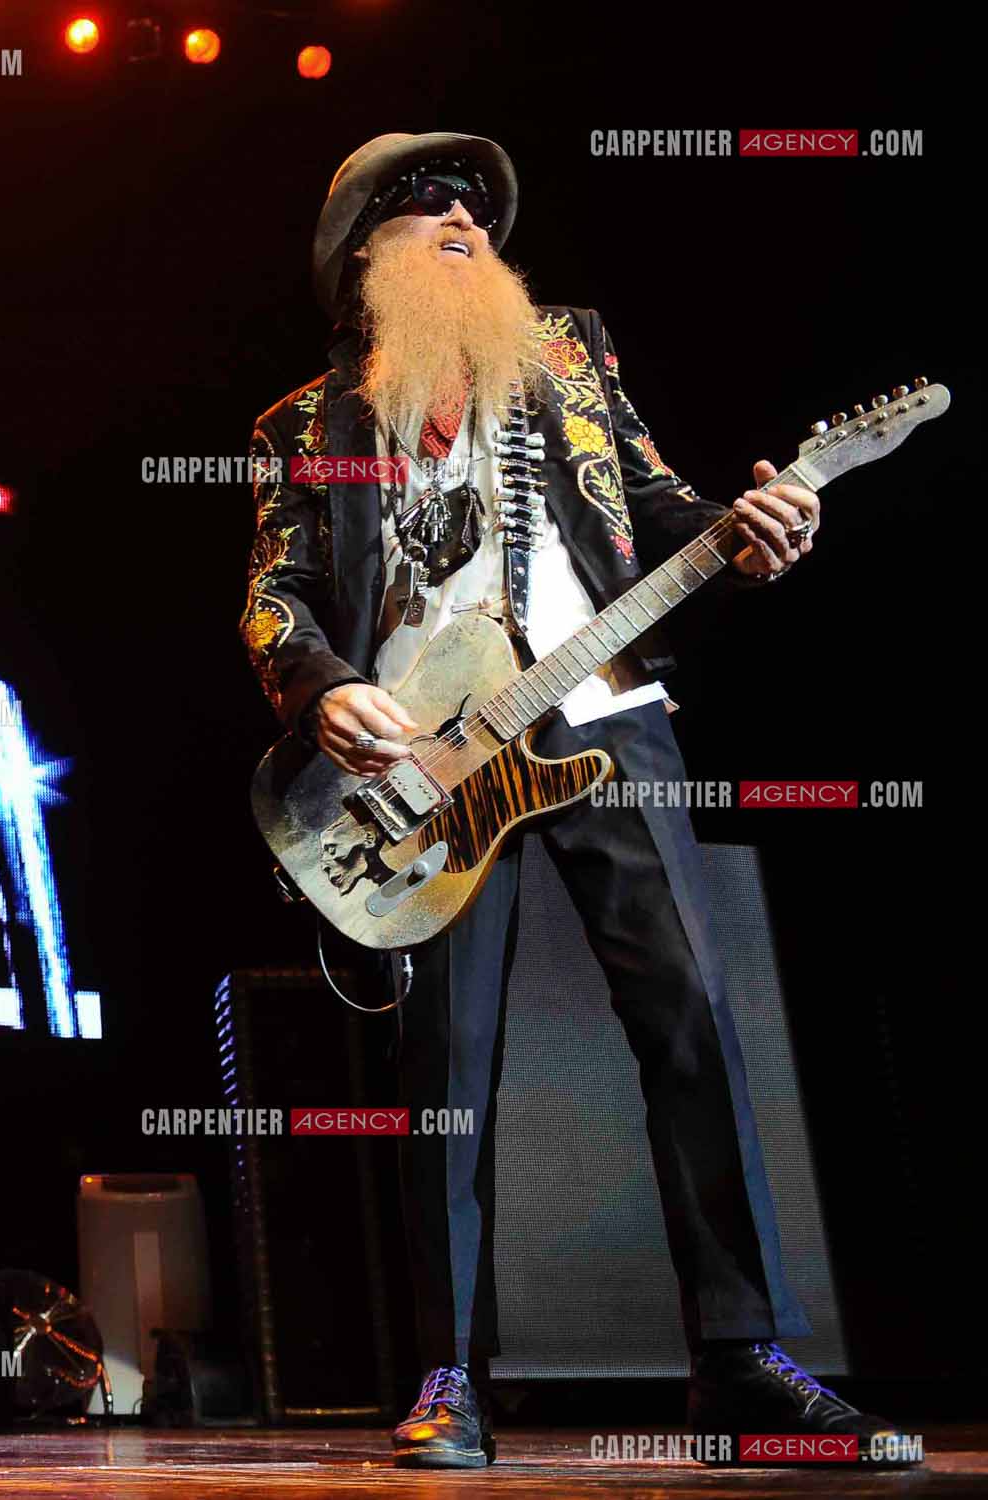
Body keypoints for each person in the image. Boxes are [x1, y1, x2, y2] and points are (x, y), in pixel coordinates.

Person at [241, 133, 911, 1469]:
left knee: (691, 1020)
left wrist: (753, 523)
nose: (461, 223)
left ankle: (738, 1358)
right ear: (357, 253)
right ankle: (448, 1375)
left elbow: (654, 506)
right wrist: (318, 690)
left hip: (602, 714)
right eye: (423, 207)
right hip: (423, 768)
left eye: (476, 209)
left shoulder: (569, 353)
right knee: (444, 1072)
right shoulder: (301, 426)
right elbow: (272, 597)